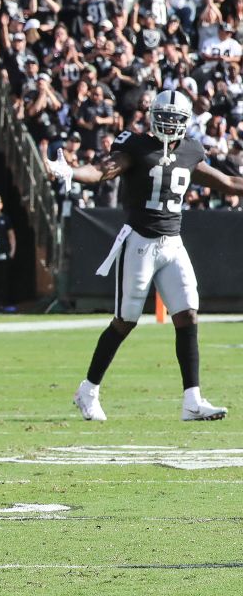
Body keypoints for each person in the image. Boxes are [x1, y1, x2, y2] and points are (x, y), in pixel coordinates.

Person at [48, 90, 243, 422]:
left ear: (185, 123)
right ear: (152, 116)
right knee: (125, 321)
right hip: (140, 242)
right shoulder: (135, 145)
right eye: (162, 117)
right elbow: (103, 169)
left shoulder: (192, 150)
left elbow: (226, 181)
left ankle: (192, 400)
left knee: (188, 315)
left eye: (174, 119)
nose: (168, 124)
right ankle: (88, 390)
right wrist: (72, 172)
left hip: (173, 244)